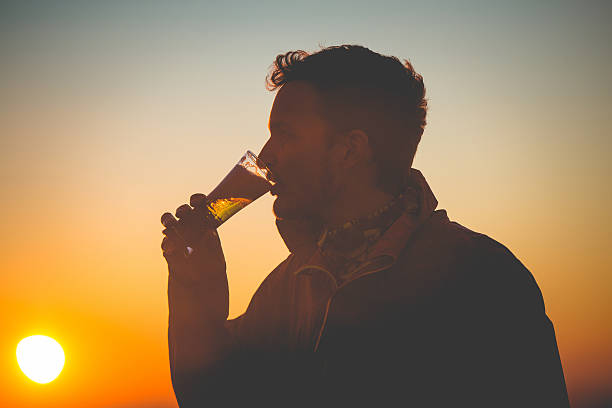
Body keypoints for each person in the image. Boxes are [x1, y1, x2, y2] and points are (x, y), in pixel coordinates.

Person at [160, 44, 570, 407]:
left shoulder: (482, 280)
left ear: (349, 150)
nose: (266, 157)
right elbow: (216, 397)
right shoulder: (290, 285)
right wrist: (196, 290)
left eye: (284, 135)